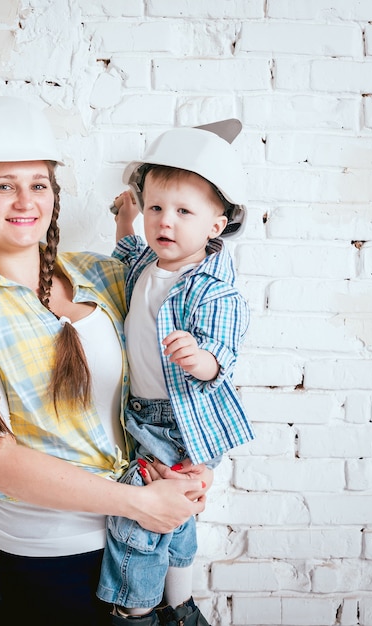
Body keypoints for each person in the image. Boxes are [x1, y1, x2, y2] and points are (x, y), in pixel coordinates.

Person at [0, 95, 214, 626]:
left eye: (39, 184)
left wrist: (186, 465)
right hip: (45, 559)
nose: (25, 200)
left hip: (139, 543)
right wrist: (139, 504)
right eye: (4, 185)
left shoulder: (101, 274)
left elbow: (161, 377)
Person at [97, 122, 255, 625]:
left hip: (177, 420)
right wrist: (126, 218)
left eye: (184, 212)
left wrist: (199, 358)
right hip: (140, 411)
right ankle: (180, 605)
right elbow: (124, 252)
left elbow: (223, 358)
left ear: (216, 225)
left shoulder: (213, 289)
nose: (166, 222)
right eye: (156, 208)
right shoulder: (149, 258)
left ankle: (139, 612)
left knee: (141, 519)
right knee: (175, 511)